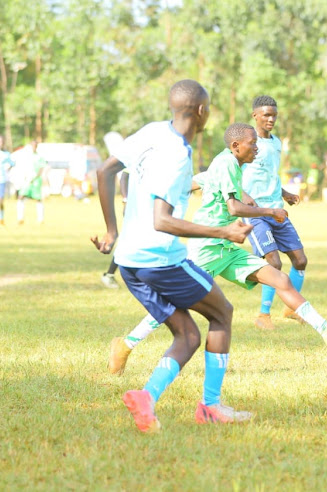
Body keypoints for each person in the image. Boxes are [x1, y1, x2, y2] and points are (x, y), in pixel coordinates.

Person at [108, 123, 327, 375]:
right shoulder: (227, 163)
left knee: (280, 279)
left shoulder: (229, 164)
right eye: (253, 143)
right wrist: (269, 210)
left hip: (227, 247)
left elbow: (196, 182)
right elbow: (233, 208)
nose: (257, 148)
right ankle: (126, 345)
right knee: (174, 306)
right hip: (207, 248)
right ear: (236, 146)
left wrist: (240, 192)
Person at [92, 79, 253, 432]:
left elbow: (104, 171)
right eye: (208, 108)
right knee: (222, 312)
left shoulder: (152, 132)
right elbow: (162, 220)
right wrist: (224, 231)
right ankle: (211, 406)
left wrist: (112, 231)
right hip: (159, 258)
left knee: (188, 336)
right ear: (200, 111)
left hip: (131, 261)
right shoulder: (178, 153)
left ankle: (146, 399)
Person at [240, 95, 310, 331]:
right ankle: (263, 314)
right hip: (255, 212)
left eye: (274, 115)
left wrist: (285, 193)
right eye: (266, 115)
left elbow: (270, 175)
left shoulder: (277, 143)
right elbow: (228, 172)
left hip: (276, 210)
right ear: (255, 116)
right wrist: (241, 194)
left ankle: (291, 308)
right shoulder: (245, 142)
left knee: (300, 260)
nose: (271, 119)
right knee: (274, 264)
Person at [101, 170, 129, 289]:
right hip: (133, 207)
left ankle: (110, 274)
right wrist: (125, 199)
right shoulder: (139, 155)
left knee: (129, 241)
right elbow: (124, 177)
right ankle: (109, 274)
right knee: (128, 241)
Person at [14, 141, 48, 225]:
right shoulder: (26, 157)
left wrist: (35, 177)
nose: (33, 147)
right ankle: (20, 218)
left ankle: (41, 219)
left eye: (35, 146)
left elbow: (41, 168)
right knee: (21, 197)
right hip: (27, 181)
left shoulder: (39, 157)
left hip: (36, 181)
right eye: (32, 145)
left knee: (38, 199)